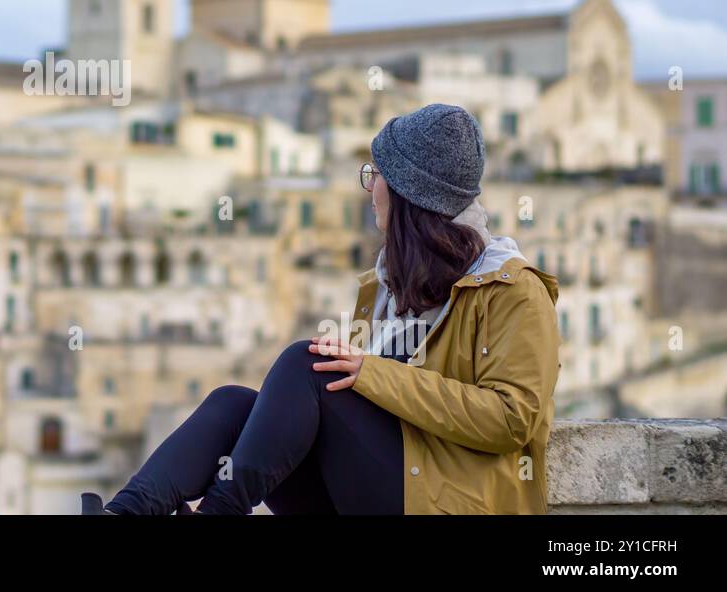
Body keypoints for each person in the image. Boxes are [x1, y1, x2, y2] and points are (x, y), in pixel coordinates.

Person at [81, 103, 561, 515]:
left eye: (376, 176)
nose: (369, 189)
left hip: (451, 499)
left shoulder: (514, 289)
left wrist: (373, 374)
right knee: (232, 404)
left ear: (410, 197)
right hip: (380, 488)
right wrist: (368, 376)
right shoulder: (385, 287)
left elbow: (512, 418)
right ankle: (125, 511)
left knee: (305, 362)